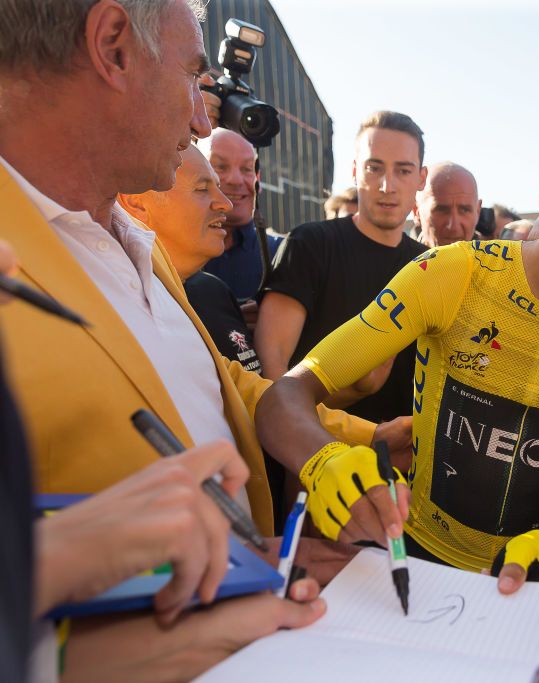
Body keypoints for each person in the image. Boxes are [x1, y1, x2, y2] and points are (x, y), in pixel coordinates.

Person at [254, 88, 539, 603]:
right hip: (412, 555)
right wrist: (322, 459)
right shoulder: (453, 275)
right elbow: (285, 396)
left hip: (527, 587)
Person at [0, 1, 332, 678]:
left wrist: (330, 453)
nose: (203, 120)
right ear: (114, 47)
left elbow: (212, 383)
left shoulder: (137, 240)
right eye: (191, 77)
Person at [255, 111, 428, 425]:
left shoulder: (429, 266)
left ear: (421, 178)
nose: (387, 185)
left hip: (403, 465)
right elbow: (273, 374)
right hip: (314, 455)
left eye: (403, 170)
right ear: (354, 171)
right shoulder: (310, 244)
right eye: (374, 168)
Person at [119, 144, 261, 373]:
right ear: (136, 202)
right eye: (202, 189)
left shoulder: (212, 292)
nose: (226, 203)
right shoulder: (118, 306)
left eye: (217, 186)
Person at [199, 128, 281, 302]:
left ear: (258, 178)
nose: (235, 180)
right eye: (220, 167)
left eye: (246, 169)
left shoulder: (282, 255)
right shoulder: (168, 253)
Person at [411, 162, 482, 247]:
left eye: (464, 210)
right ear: (416, 211)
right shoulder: (397, 260)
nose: (453, 227)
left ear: (478, 211)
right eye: (442, 210)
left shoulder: (496, 259)